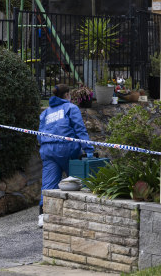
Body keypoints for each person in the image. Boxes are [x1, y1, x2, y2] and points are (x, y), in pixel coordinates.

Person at [37, 84, 92, 228]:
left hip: (48, 150)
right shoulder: (71, 108)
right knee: (76, 182)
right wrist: (89, 149)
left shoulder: (45, 113)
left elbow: (39, 135)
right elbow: (80, 129)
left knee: (48, 184)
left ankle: (43, 215)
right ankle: (79, 214)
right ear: (67, 95)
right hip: (68, 150)